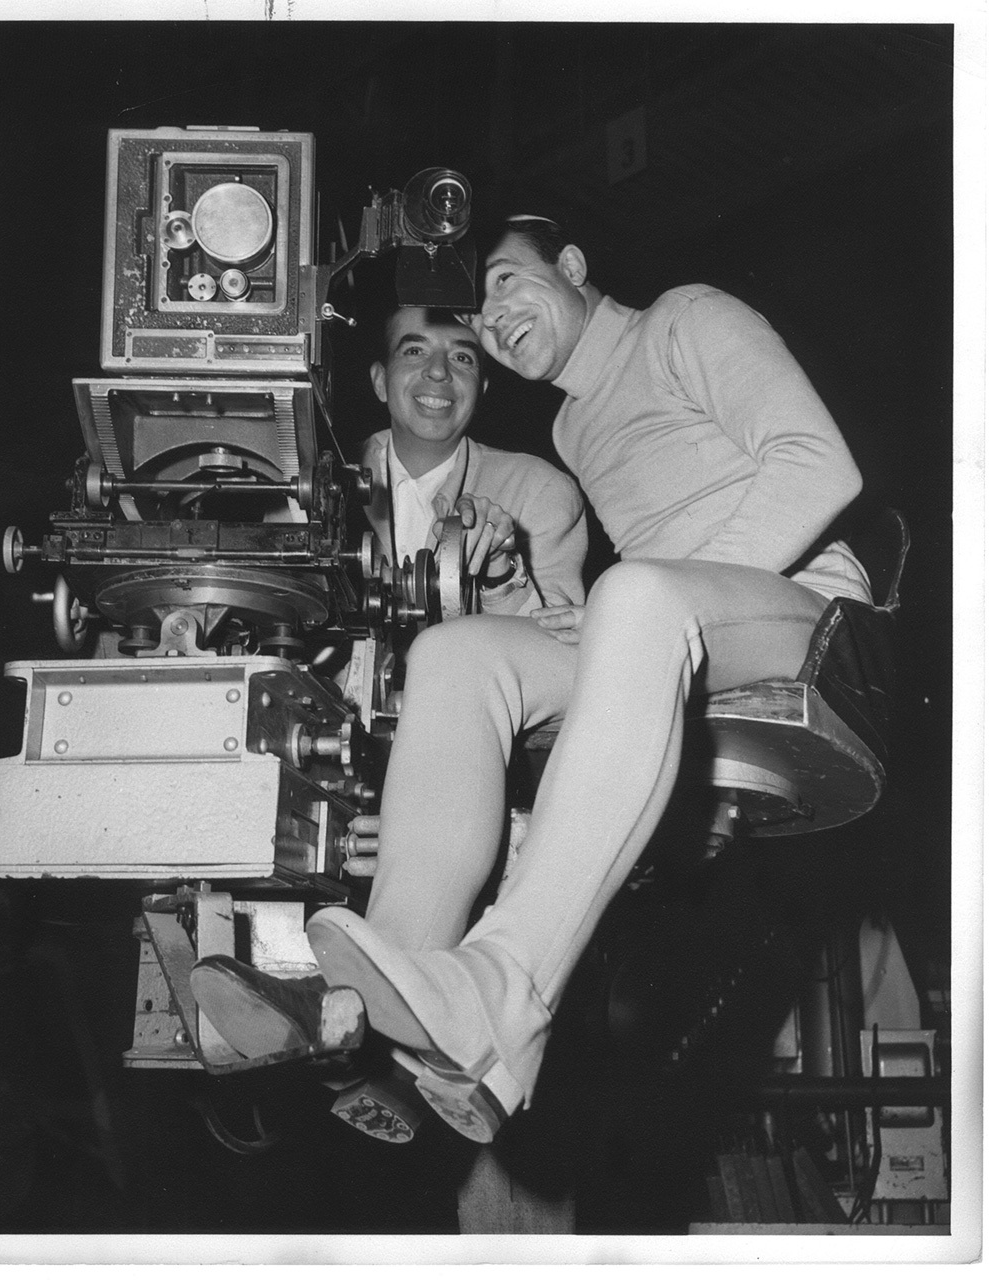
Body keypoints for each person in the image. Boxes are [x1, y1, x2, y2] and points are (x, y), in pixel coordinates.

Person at [191, 215, 872, 1145]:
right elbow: (648, 589)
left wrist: (631, 604)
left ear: (576, 267)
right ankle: (385, 1010)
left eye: (510, 281)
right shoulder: (572, 423)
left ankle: (506, 999)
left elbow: (819, 465)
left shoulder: (683, 320)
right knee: (459, 654)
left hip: (804, 614)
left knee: (632, 595)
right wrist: (598, 614)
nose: (497, 315)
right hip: (674, 621)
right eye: (485, 304)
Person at [357, 304, 587, 615]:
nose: (438, 370)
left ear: (481, 390)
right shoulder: (321, 478)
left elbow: (554, 648)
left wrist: (499, 567)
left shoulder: (539, 491)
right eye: (414, 351)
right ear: (380, 381)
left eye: (462, 358)